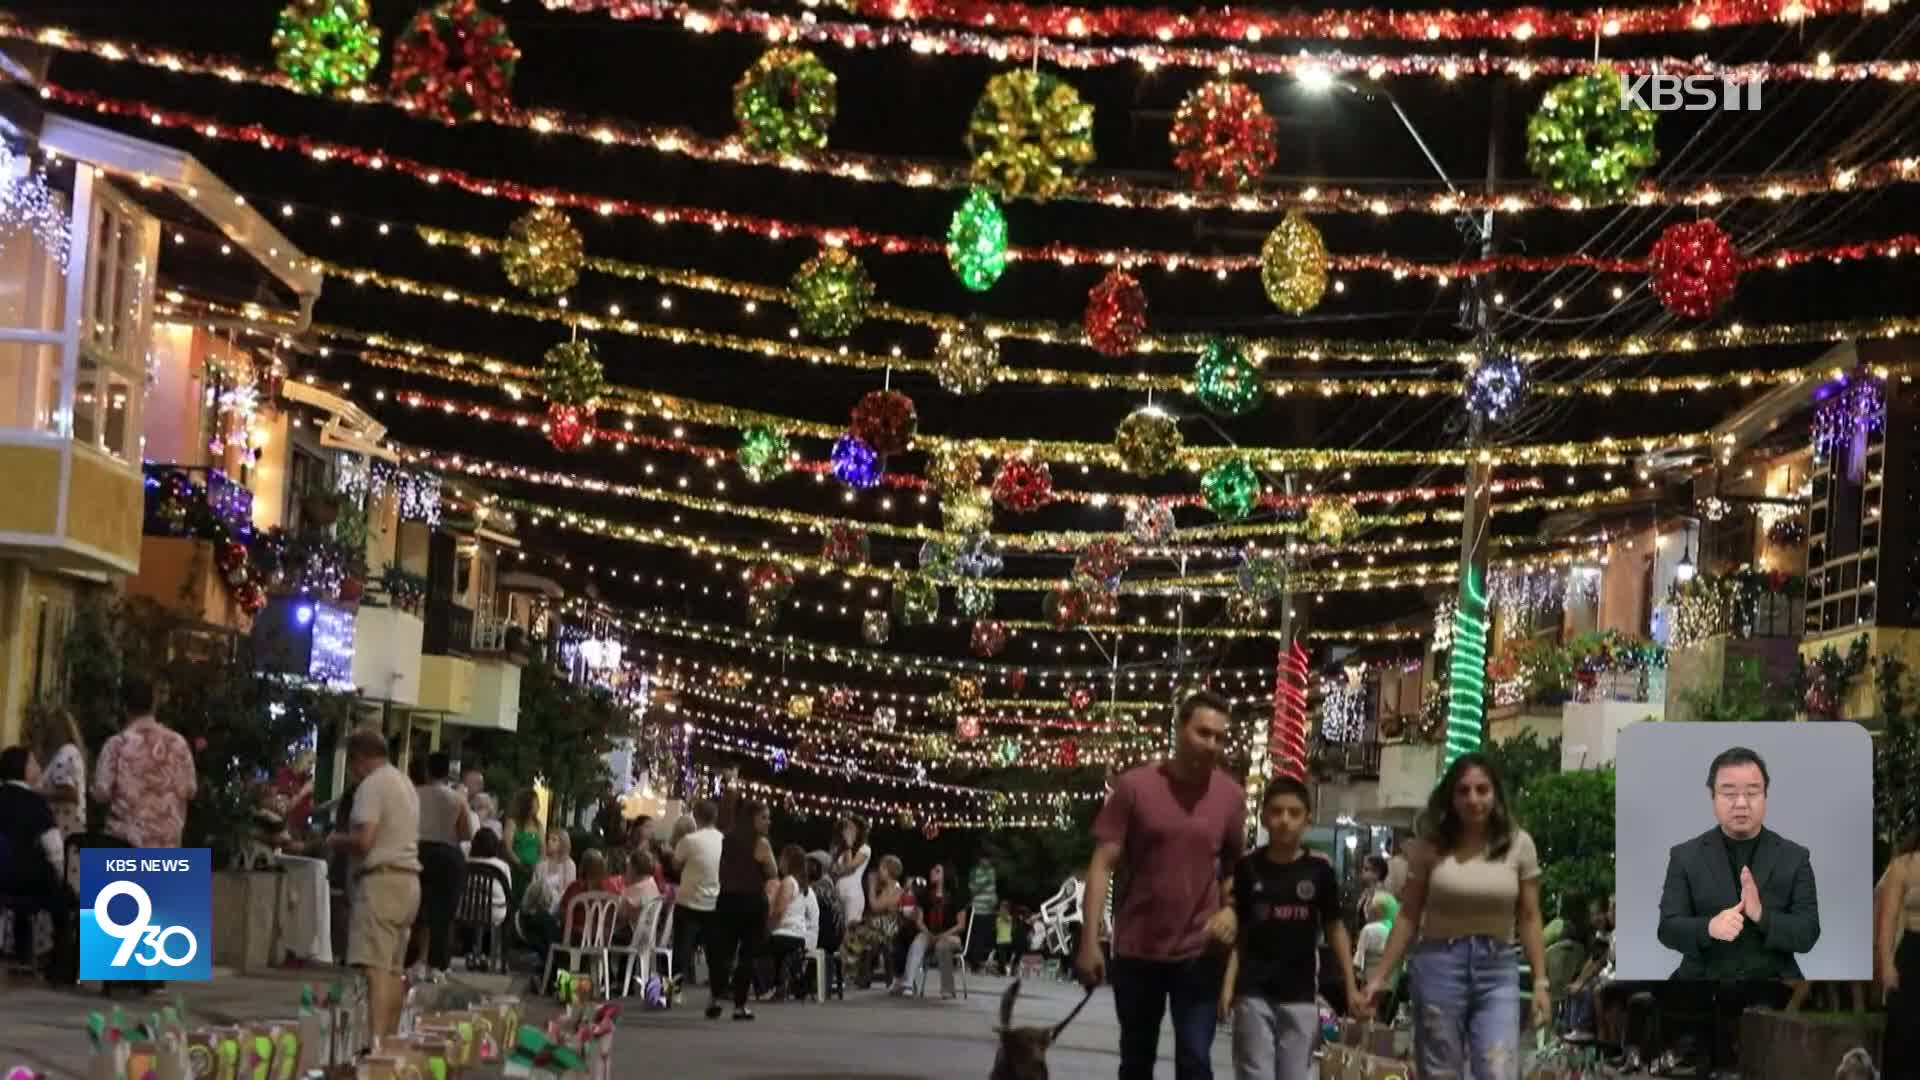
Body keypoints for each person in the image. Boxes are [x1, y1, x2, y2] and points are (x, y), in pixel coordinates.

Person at [1079, 689, 1245, 1080]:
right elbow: (1102, 864)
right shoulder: (1134, 787)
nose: (1212, 745)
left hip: (1199, 951)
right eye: (1203, 733)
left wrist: (1233, 909)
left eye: (1220, 737)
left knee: (1195, 1062)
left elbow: (1236, 867)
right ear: (1179, 729)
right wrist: (1089, 941)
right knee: (1136, 1062)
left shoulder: (1231, 796)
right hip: (1138, 949)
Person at [1361, 752, 1550, 1080]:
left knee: (1498, 1070)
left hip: (1498, 969)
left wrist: (1541, 982)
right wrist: (1379, 977)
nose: (1473, 799)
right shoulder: (1430, 847)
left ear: (1496, 794)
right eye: (1463, 790)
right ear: (1450, 796)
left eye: (1482, 789)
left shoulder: (1519, 845)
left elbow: (1531, 917)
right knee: (1440, 1072)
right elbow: (1408, 916)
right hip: (1439, 966)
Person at [1224, 777, 1365, 1080]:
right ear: (1263, 817)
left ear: (1307, 819)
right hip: (1253, 992)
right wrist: (1228, 986)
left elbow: (1335, 927)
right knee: (1253, 1074)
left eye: (1293, 812)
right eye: (1276, 812)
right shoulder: (1247, 867)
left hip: (1301, 994)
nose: (1284, 820)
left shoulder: (1319, 870)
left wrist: (1351, 985)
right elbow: (1241, 933)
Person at [1657, 746, 1819, 980]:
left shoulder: (1795, 857)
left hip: (1774, 987)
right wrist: (1710, 927)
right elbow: (1667, 929)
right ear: (1712, 796)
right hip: (1703, 985)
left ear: (1765, 795)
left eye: (1752, 792)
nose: (1741, 803)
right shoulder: (1684, 856)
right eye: (1729, 793)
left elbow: (1809, 933)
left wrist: (1761, 915)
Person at [329, 730, 421, 1044]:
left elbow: (365, 840)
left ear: (359, 759)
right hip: (408, 882)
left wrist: (335, 840)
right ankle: (391, 1046)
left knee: (375, 969)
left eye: (351, 764)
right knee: (394, 970)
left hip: (381, 882)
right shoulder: (404, 783)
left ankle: (377, 1048)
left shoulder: (371, 786)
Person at [92, 677, 196, 849]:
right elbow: (190, 790)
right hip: (167, 850)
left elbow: (101, 793)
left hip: (123, 848)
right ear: (154, 705)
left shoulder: (116, 745)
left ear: (124, 707)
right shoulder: (179, 744)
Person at [0, 746, 70, 982]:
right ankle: (61, 965)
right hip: (31, 880)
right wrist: (61, 876)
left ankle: (21, 953)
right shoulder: (35, 802)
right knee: (65, 899)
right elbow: (54, 848)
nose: (38, 768)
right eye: (34, 763)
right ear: (23, 769)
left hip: (4, 879)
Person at [704, 797, 777, 1020]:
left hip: (726, 899)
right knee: (747, 955)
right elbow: (773, 871)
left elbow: (721, 869)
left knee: (723, 952)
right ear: (752, 819)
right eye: (763, 817)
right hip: (752, 901)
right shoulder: (761, 843)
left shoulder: (728, 839)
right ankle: (739, 1005)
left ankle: (715, 999)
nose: (768, 822)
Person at [413, 751, 473, 978]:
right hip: (448, 855)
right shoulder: (456, 799)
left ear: (427, 770)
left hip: (418, 852)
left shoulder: (414, 795)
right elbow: (466, 833)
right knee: (444, 912)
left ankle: (418, 958)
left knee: (421, 909)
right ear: (447, 772)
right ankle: (438, 964)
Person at [1875, 830, 1919, 1076]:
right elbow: (1888, 921)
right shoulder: (1902, 866)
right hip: (1912, 952)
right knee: (1904, 1032)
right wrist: (1887, 964)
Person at [672, 798, 724, 992]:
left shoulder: (689, 840)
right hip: (714, 901)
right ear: (716, 816)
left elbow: (676, 865)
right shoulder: (723, 840)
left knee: (682, 949)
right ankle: (717, 989)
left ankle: (676, 989)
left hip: (688, 900)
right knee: (714, 950)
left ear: (695, 816)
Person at [897, 863, 969, 997]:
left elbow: (961, 925)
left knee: (942, 945)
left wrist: (942, 936)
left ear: (945, 875)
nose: (932, 872)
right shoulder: (925, 895)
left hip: (951, 936)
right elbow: (919, 921)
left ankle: (947, 989)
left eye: (937, 871)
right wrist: (928, 934)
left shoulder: (956, 895)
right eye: (932, 870)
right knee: (919, 940)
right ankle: (907, 984)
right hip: (930, 934)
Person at [765, 844, 819, 998]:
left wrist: (766, 929)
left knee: (756, 943)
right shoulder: (803, 885)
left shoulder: (789, 881)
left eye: (781, 858)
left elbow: (779, 912)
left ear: (788, 861)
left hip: (787, 933)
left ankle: (768, 987)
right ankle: (779, 984)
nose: (778, 861)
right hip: (799, 934)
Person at [846, 853, 904, 988]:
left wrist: (871, 885)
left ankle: (856, 972)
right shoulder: (886, 888)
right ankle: (860, 973)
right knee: (856, 928)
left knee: (862, 934)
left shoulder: (896, 889)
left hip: (890, 928)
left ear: (889, 871)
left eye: (882, 869)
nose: (879, 872)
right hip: (881, 927)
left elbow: (875, 906)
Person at [29, 706, 86, 840]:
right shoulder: (66, 753)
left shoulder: (67, 753)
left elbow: (70, 793)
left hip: (63, 831)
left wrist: (34, 791)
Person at [466, 828, 513, 930]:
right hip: (494, 912)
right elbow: (508, 892)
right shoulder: (502, 866)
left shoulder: (466, 863)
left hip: (466, 911)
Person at [830, 815, 871, 926]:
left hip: (852, 895)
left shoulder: (865, 849)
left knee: (850, 930)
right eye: (847, 828)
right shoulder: (841, 849)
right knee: (837, 929)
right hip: (838, 893)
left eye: (851, 827)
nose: (847, 830)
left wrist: (849, 845)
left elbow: (850, 867)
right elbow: (832, 870)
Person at [527, 828, 577, 915]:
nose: (549, 842)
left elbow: (569, 890)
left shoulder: (569, 865)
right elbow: (533, 886)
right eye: (549, 839)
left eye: (554, 840)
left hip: (560, 906)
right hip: (540, 905)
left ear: (563, 844)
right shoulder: (541, 863)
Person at [503, 791, 544, 878]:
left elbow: (542, 849)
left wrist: (538, 867)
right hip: (516, 870)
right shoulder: (512, 823)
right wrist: (521, 865)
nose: (539, 806)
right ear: (526, 804)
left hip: (534, 872)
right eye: (536, 803)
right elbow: (508, 849)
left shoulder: (538, 825)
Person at [968, 854, 998, 967]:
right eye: (986, 859)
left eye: (989, 860)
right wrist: (985, 884)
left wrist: (994, 901)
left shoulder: (991, 871)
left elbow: (993, 888)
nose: (988, 862)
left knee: (986, 937)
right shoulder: (974, 871)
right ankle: (973, 962)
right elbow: (972, 889)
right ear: (981, 860)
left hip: (989, 910)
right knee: (976, 936)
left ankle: (981, 961)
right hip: (978, 910)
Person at [990, 901, 1018, 974]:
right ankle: (1001, 970)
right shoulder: (998, 918)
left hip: (1007, 940)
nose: (1002, 909)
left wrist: (999, 911)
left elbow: (1004, 916)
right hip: (999, 940)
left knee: (1004, 958)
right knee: (1001, 958)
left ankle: (1006, 970)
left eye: (1004, 908)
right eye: (1001, 907)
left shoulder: (1009, 918)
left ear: (1007, 909)